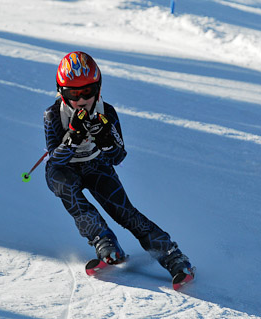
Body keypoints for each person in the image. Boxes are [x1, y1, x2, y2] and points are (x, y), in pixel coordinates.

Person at [43, 51, 194, 284]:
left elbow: (118, 156)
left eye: (88, 91)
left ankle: (173, 256)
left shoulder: (107, 112)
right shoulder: (53, 114)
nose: (81, 99)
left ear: (98, 89)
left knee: (124, 212)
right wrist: (73, 138)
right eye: (73, 93)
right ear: (61, 92)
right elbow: (55, 157)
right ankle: (103, 240)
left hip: (96, 164)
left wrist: (106, 141)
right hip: (66, 169)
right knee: (64, 187)